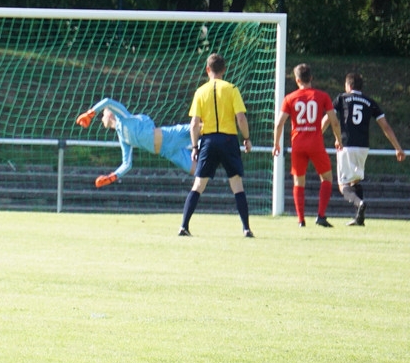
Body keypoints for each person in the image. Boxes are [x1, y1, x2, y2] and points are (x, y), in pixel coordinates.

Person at [179, 53, 254, 237]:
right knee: (237, 184)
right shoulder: (232, 89)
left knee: (198, 185)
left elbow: (194, 124)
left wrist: (195, 147)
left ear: (207, 70)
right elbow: (241, 118)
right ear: (224, 70)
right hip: (228, 140)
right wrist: (247, 137)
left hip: (208, 141)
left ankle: (184, 226)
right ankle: (246, 228)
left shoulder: (200, 91)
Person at [272, 63, 344, 228]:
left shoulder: (290, 98)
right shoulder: (322, 96)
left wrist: (276, 143)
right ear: (311, 78)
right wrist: (338, 140)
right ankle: (320, 215)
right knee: (326, 178)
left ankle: (300, 220)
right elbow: (334, 121)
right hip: (316, 144)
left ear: (297, 80)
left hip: (297, 144)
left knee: (299, 181)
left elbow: (279, 123)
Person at [329, 72, 405, 225]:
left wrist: (318, 135)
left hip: (346, 145)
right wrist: (398, 148)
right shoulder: (370, 102)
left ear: (348, 86)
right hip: (363, 147)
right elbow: (385, 126)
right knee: (355, 182)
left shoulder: (342, 98)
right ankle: (360, 219)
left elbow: (328, 119)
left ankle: (360, 203)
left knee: (343, 186)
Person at [75, 98, 194, 187]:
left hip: (168, 136)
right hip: (167, 152)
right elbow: (127, 164)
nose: (101, 119)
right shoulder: (123, 138)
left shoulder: (124, 118)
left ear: (110, 114)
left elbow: (107, 101)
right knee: (198, 170)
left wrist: (90, 113)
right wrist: (112, 176)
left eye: (103, 114)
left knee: (200, 128)